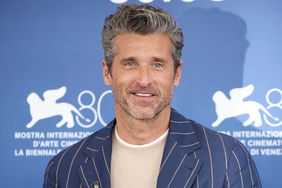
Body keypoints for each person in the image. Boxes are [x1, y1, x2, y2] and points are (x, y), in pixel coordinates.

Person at [43, 4, 261, 188]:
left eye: (157, 65)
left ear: (176, 73)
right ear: (107, 72)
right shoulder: (65, 167)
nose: (144, 80)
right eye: (130, 64)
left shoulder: (226, 158)